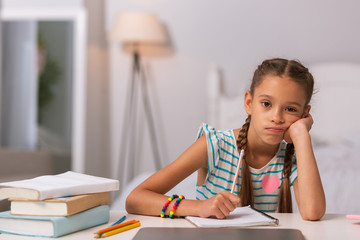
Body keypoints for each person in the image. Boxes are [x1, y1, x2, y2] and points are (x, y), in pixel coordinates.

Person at [126, 58, 326, 221]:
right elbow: (135, 199)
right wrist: (199, 207)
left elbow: (312, 212)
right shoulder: (214, 146)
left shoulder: (294, 154)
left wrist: (301, 135)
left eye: (290, 109)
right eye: (266, 104)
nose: (277, 116)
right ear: (249, 103)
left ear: (304, 114)